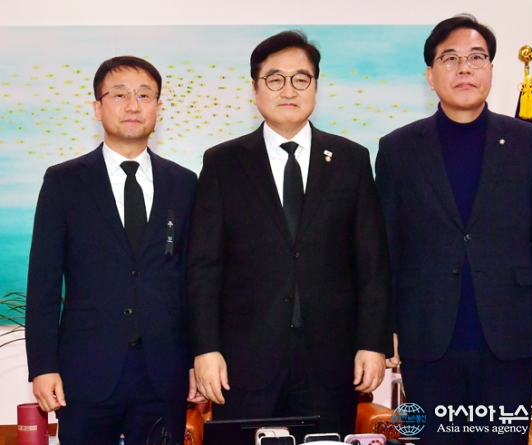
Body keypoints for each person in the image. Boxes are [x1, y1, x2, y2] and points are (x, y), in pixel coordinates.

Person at [186, 30, 393, 437]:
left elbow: (371, 261)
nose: (288, 89)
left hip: (331, 363)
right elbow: (203, 266)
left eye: (301, 78)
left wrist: (373, 342)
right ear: (255, 89)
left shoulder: (351, 159)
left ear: (315, 86)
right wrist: (205, 349)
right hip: (243, 363)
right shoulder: (223, 163)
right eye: (275, 79)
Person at [375, 14, 532, 445]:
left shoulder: (528, 143)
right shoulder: (397, 149)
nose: (465, 68)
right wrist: (384, 328)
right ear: (430, 75)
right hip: (427, 337)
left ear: (491, 70)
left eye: (476, 57)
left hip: (511, 335)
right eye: (450, 59)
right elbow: (386, 248)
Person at [25, 56, 197, 445]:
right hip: (86, 372)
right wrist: (43, 367)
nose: (133, 105)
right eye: (119, 95)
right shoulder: (64, 181)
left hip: (164, 371)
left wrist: (194, 360)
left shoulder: (184, 183)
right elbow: (44, 283)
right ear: (97, 107)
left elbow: (193, 280)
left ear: (158, 108)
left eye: (144, 95)